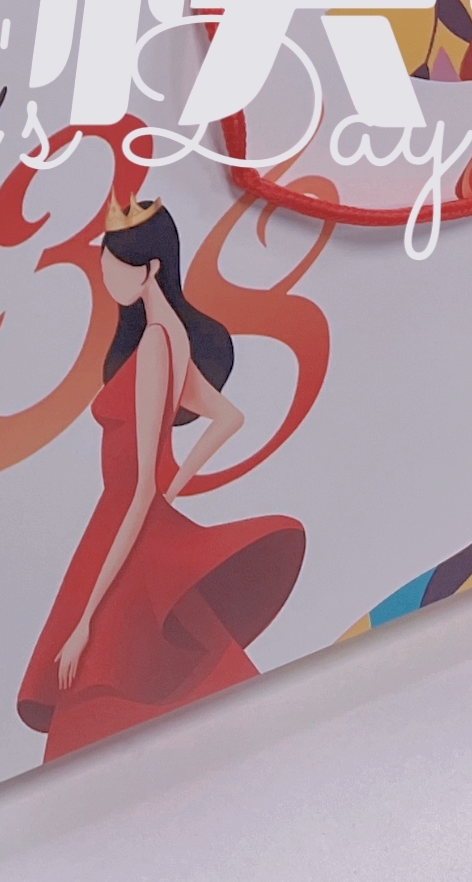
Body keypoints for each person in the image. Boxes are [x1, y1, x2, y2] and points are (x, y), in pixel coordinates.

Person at [16, 199, 308, 759]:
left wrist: (86, 619)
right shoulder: (170, 335)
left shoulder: (156, 343)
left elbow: (146, 482)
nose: (107, 279)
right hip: (132, 516)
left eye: (115, 268)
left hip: (126, 521)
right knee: (174, 666)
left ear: (149, 268)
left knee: (108, 679)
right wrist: (170, 488)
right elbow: (228, 417)